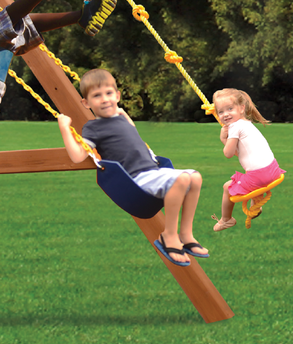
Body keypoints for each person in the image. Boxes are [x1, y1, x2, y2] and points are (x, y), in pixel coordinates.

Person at [59, 68, 206, 265]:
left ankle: (186, 235)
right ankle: (169, 235)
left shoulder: (121, 118)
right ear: (86, 103)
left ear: (117, 96)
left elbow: (131, 131)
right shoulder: (93, 128)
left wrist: (122, 112)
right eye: (97, 96)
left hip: (154, 171)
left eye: (109, 93)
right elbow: (77, 156)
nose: (105, 99)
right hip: (136, 180)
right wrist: (64, 128)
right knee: (182, 179)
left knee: (195, 177)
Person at [211, 88, 281, 231]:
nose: (225, 114)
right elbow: (241, 153)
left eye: (230, 109)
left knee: (227, 187)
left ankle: (226, 220)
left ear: (242, 108)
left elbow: (228, 153)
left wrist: (223, 138)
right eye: (221, 112)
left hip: (260, 176)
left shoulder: (235, 127)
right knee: (251, 176)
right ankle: (256, 205)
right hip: (274, 169)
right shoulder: (246, 124)